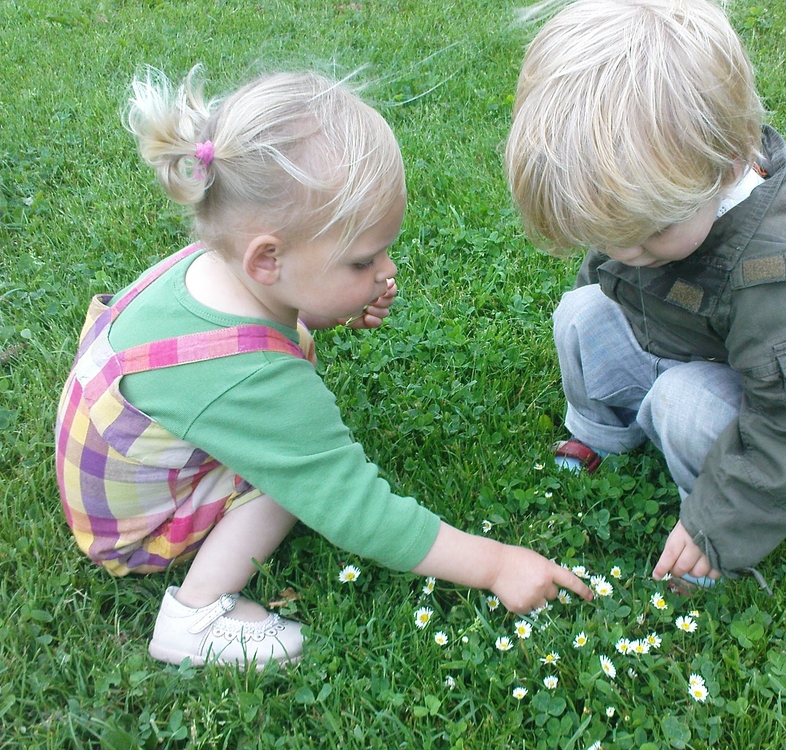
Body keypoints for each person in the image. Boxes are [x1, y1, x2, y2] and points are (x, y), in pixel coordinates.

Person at [55, 66, 592, 670]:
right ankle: (193, 616)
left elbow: (268, 324)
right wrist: (496, 564)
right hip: (138, 526)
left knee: (283, 444)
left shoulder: (212, 271)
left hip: (120, 473)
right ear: (268, 259)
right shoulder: (250, 377)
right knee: (294, 478)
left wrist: (322, 313)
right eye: (363, 261)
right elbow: (354, 507)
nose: (386, 272)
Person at [504, 0, 786, 590]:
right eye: (608, 237)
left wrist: (716, 527)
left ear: (729, 159)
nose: (625, 253)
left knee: (684, 404)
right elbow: (619, 266)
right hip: (671, 336)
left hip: (747, 394)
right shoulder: (656, 208)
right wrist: (636, 245)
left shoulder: (778, 273)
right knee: (581, 314)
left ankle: (704, 537)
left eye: (649, 234)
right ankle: (605, 437)